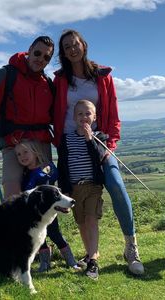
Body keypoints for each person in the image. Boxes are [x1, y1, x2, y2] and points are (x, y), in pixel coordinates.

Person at [52, 29, 145, 275]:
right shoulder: (60, 79)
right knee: (78, 195)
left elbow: (113, 112)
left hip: (98, 143)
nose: (72, 49)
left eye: (75, 44)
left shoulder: (102, 76)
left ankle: (131, 248)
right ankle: (90, 253)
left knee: (115, 184)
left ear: (84, 45)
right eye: (66, 47)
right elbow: (53, 112)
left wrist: (110, 145)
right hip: (70, 145)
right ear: (63, 53)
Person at [0, 36, 55, 200]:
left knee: (45, 198)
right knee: (13, 196)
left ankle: (48, 227)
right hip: (14, 144)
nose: (41, 59)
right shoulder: (4, 75)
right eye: (38, 53)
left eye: (46, 57)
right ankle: (15, 226)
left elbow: (56, 116)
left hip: (41, 144)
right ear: (30, 50)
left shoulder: (47, 83)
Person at [57, 99, 107, 280]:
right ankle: (90, 252)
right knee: (81, 222)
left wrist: (89, 139)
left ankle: (93, 261)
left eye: (88, 114)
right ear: (73, 117)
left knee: (92, 220)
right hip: (74, 187)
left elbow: (98, 158)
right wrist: (65, 190)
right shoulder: (66, 139)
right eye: (80, 114)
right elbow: (62, 165)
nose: (84, 117)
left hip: (93, 186)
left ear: (94, 117)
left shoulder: (99, 137)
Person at [14, 139, 79, 272]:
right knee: (40, 237)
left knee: (55, 234)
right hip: (35, 213)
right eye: (18, 154)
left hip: (49, 211)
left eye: (26, 152)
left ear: (35, 153)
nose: (22, 156)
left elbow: (51, 177)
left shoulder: (46, 168)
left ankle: (71, 260)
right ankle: (45, 263)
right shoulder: (25, 174)